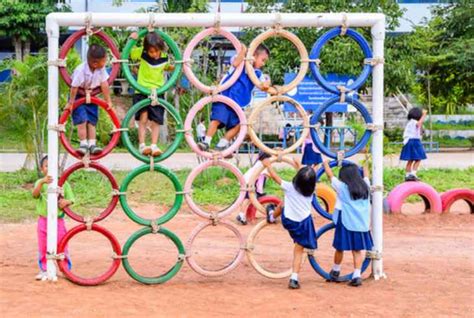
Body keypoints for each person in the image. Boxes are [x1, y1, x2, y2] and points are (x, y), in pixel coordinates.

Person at [198, 44, 271, 152]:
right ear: (254, 55)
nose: (263, 63)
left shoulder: (257, 73)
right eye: (262, 60)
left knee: (239, 125)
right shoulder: (240, 62)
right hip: (224, 97)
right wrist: (244, 52)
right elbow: (236, 62)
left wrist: (267, 83)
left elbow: (264, 84)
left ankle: (221, 145)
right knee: (217, 119)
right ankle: (206, 142)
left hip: (238, 105)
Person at [264, 164, 317, 289]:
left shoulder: (289, 187)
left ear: (296, 178)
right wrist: (299, 166)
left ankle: (272, 216)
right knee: (298, 251)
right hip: (304, 224)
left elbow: (276, 177)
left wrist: (268, 165)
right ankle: (294, 278)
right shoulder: (312, 191)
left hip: (289, 221)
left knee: (282, 204)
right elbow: (306, 179)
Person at [323, 160, 373, 287]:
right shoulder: (366, 186)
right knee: (357, 250)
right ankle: (357, 275)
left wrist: (325, 164)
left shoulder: (342, 187)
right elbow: (366, 174)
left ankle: (335, 270)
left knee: (340, 247)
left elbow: (330, 176)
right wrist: (365, 165)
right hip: (361, 224)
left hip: (346, 222)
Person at [130, 31, 175, 156]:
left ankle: (154, 146)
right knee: (143, 118)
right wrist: (132, 39)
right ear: (146, 49)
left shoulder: (164, 56)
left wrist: (176, 66)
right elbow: (130, 52)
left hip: (157, 91)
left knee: (156, 120)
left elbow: (167, 67)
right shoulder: (142, 53)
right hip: (142, 90)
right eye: (151, 51)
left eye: (156, 51)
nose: (154, 54)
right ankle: (142, 145)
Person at [65, 44, 113, 155]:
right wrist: (71, 103)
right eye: (104, 61)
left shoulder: (101, 69)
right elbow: (74, 87)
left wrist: (108, 101)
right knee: (82, 120)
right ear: (95, 63)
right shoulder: (81, 70)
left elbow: (104, 84)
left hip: (92, 96)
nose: (105, 63)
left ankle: (92, 144)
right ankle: (83, 144)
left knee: (92, 120)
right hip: (78, 96)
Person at [32, 156, 74, 281]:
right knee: (43, 246)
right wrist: (41, 183)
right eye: (46, 166)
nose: (50, 169)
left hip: (58, 221)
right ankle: (45, 269)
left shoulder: (63, 183)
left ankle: (65, 268)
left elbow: (72, 199)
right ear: (42, 169)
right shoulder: (40, 182)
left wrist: (66, 202)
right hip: (43, 221)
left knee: (62, 244)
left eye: (53, 166)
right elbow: (34, 195)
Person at [236, 151, 271, 225]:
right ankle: (241, 215)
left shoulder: (258, 163)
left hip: (247, 181)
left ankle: (242, 214)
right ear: (265, 159)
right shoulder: (262, 165)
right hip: (249, 183)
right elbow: (268, 174)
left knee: (252, 198)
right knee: (248, 198)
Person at [400, 107, 428, 181]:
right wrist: (424, 115)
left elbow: (420, 130)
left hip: (409, 141)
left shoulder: (411, 122)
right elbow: (418, 124)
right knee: (418, 158)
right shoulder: (414, 122)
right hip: (414, 141)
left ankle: (407, 175)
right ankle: (413, 173)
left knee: (411, 160)